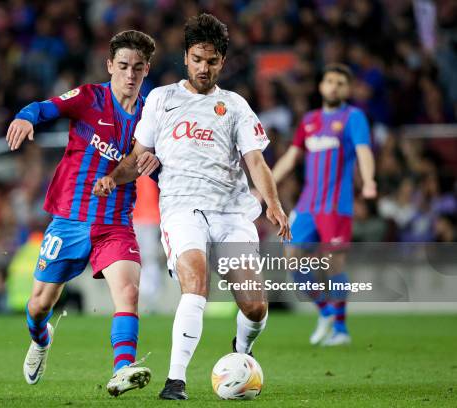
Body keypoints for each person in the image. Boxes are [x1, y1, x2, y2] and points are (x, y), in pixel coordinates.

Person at [93, 14, 291, 400]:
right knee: (195, 285)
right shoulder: (162, 100)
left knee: (254, 307)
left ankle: (242, 354)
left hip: (232, 213)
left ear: (223, 62)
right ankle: (175, 381)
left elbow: (255, 161)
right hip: (183, 208)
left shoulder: (234, 106)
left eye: (212, 61)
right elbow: (139, 155)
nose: (204, 67)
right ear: (186, 57)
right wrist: (112, 178)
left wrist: (274, 204)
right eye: (197, 59)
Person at [5, 30, 160, 396]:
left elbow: (158, 156)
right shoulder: (90, 97)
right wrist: (27, 118)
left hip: (115, 223)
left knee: (128, 291)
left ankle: (123, 369)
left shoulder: (152, 113)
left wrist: (155, 160)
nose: (130, 74)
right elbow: (46, 107)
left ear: (146, 70)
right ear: (110, 66)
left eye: (138, 68)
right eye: (122, 66)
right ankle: (41, 340)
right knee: (40, 304)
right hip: (70, 221)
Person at [272, 63, 377, 346]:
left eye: (340, 83)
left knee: (333, 265)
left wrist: (368, 180)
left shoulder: (354, 117)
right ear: (321, 86)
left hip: (336, 206)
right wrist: (265, 186)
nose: (333, 86)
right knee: (291, 259)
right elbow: (292, 157)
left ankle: (341, 331)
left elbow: (364, 151)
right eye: (329, 81)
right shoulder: (309, 120)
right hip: (307, 205)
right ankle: (326, 311)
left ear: (348, 89)